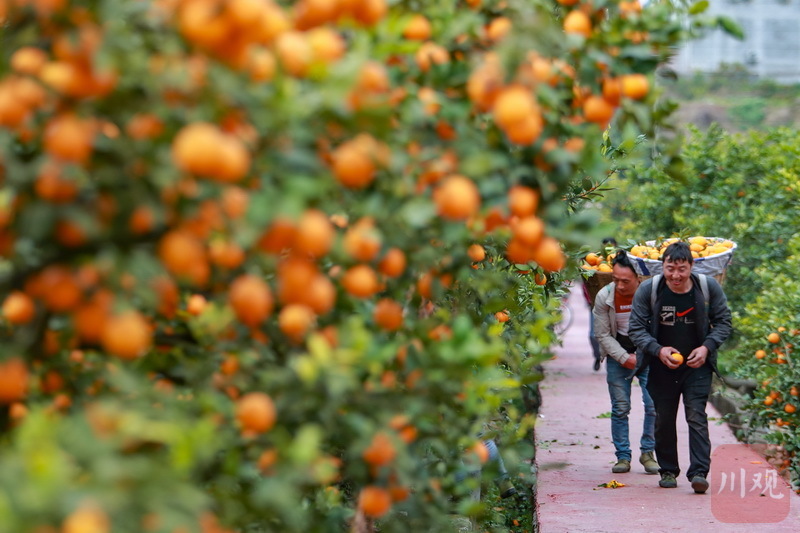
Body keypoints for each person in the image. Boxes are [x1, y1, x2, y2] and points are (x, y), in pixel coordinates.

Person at [628, 241, 732, 493]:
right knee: (663, 419)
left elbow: (724, 322)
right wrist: (658, 349)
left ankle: (698, 472)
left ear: (692, 266)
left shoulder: (708, 287)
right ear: (662, 266)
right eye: (670, 268)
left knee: (696, 416)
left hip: (697, 367)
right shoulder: (649, 289)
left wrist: (706, 347)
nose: (675, 275)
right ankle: (667, 470)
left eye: (681, 269)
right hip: (661, 367)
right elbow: (636, 328)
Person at [592, 251, 658, 475]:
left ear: (639, 278)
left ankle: (648, 452)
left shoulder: (651, 295)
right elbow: (602, 334)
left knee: (654, 406)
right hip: (617, 353)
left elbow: (657, 329)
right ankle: (623, 456)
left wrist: (643, 355)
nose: (619, 285)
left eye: (625, 281)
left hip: (648, 354)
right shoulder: (604, 296)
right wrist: (624, 358)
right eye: (615, 279)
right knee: (620, 408)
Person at [584, 237, 617, 371]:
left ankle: (612, 357)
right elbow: (587, 285)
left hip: (615, 304)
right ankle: (597, 356)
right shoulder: (595, 263)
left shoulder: (620, 261)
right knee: (593, 334)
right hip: (596, 303)